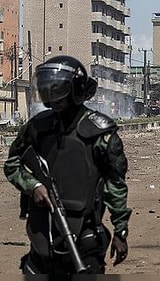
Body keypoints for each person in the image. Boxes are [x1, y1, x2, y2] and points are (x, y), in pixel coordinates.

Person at [3, 55, 132, 274]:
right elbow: (13, 163)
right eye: (48, 90)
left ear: (76, 90)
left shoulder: (100, 133)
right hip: (43, 233)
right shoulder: (37, 127)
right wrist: (33, 186)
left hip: (85, 234)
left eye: (58, 90)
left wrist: (120, 232)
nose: (53, 97)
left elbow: (115, 185)